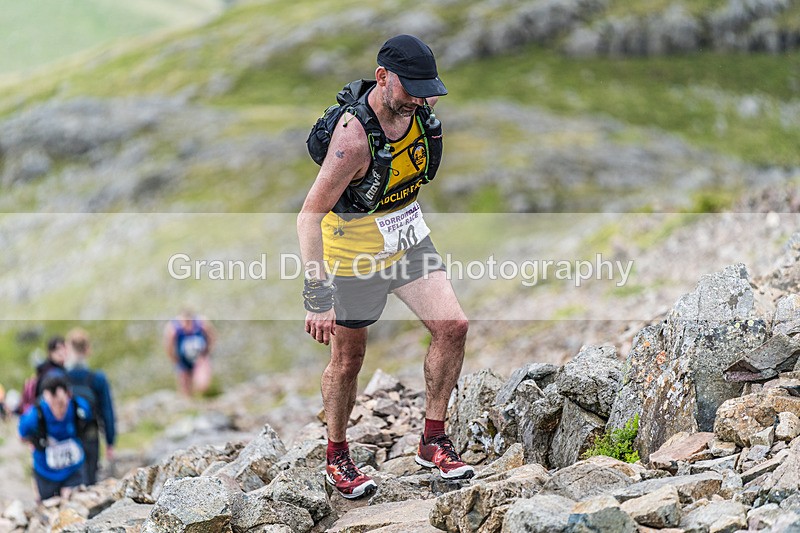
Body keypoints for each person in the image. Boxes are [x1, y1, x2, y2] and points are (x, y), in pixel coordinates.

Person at [297, 34, 472, 499]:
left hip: (407, 240)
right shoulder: (352, 140)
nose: (421, 96)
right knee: (349, 359)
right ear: (383, 78)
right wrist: (317, 293)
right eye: (412, 86)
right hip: (352, 255)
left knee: (453, 326)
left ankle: (433, 439)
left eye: (427, 86)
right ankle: (336, 456)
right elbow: (308, 215)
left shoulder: (421, 116)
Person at [18, 373, 90, 501]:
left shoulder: (79, 406)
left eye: (61, 404)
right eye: (52, 405)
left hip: (74, 467)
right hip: (46, 471)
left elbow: (88, 422)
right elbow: (22, 434)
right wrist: (36, 442)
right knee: (49, 507)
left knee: (76, 502)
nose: (57, 410)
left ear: (68, 394)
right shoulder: (35, 415)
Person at [66, 328, 116, 485]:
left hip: (68, 436)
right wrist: (110, 441)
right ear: (88, 350)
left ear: (69, 348)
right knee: (90, 479)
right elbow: (107, 411)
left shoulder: (62, 378)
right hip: (91, 435)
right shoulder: (97, 378)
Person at [163, 311, 216, 397]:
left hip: (200, 358)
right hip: (183, 360)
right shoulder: (174, 327)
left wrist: (207, 351)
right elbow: (168, 345)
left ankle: (200, 399)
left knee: (202, 385)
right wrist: (174, 358)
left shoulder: (201, 323)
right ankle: (190, 405)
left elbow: (212, 335)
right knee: (185, 390)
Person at [19, 336, 69, 415]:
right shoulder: (51, 373)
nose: (61, 352)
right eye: (57, 349)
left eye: (64, 348)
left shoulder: (44, 370)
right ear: (50, 352)